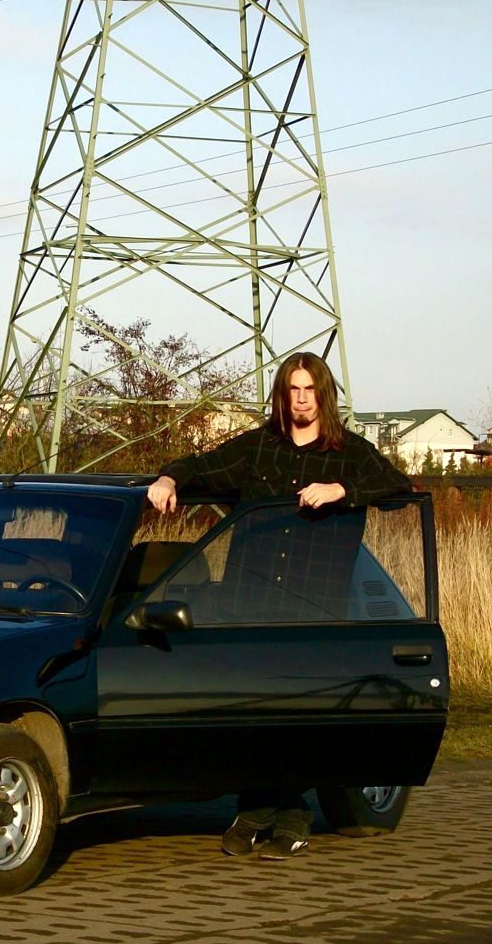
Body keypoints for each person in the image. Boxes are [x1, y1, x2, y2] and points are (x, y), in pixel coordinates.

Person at [146, 351, 411, 860]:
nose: (302, 399)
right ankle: (287, 813)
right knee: (254, 715)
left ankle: (255, 814)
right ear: (282, 395)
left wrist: (342, 490)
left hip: (314, 610)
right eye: (294, 389)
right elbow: (202, 466)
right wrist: (169, 479)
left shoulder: (351, 454)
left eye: (310, 389)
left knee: (298, 716)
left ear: (323, 394)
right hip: (249, 605)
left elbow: (400, 488)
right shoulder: (258, 449)